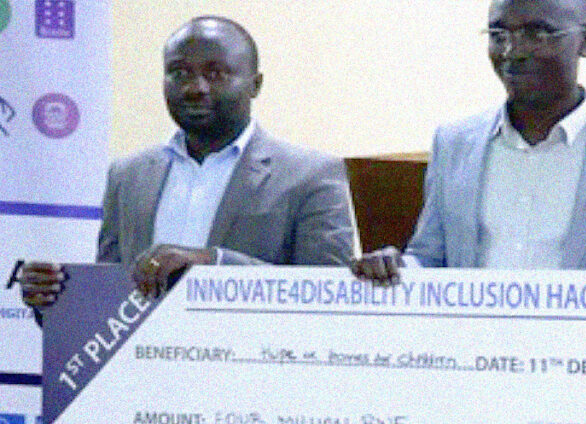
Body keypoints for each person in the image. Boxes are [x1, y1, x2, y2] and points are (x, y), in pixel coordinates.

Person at [350, 0, 586, 282]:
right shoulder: (454, 145)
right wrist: (398, 267)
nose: (513, 50)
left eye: (537, 33)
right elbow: (431, 258)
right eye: (498, 34)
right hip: (476, 351)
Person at [19, 16, 356, 304]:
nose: (195, 88)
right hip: (145, 360)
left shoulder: (311, 175)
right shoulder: (128, 175)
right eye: (179, 72)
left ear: (255, 85)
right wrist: (54, 298)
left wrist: (213, 263)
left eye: (216, 73)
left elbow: (329, 297)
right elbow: (109, 299)